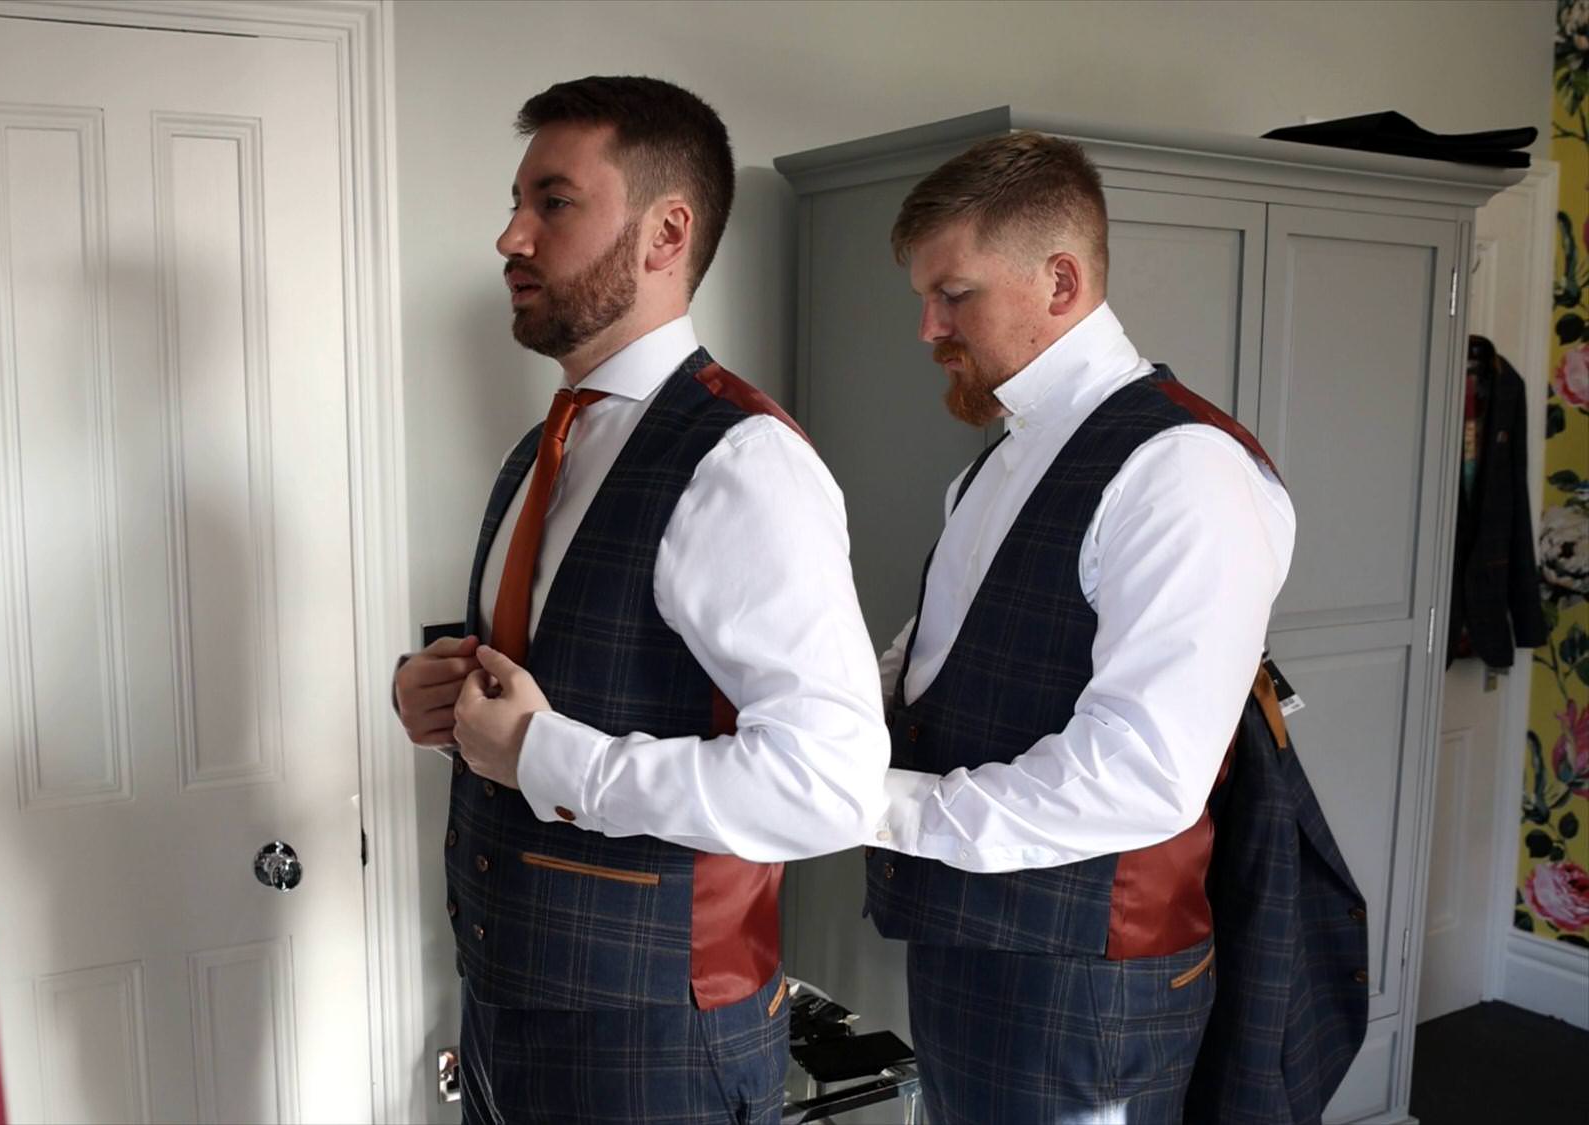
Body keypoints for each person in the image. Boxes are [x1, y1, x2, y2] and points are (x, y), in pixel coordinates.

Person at [391, 76, 887, 1124]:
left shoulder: (743, 466)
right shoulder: (544, 450)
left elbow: (828, 784)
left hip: (655, 1046)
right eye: (516, 201)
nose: (509, 237)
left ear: (666, 232)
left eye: (552, 203)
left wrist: (538, 754)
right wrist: (438, 696)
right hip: (504, 1010)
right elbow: (554, 677)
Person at [864, 131, 1296, 1124]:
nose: (928, 329)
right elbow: (940, 657)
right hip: (972, 937)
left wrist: (878, 805)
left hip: (1084, 985)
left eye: (953, 295)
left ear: (1059, 280)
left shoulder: (1183, 472)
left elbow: (1142, 770)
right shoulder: (990, 465)